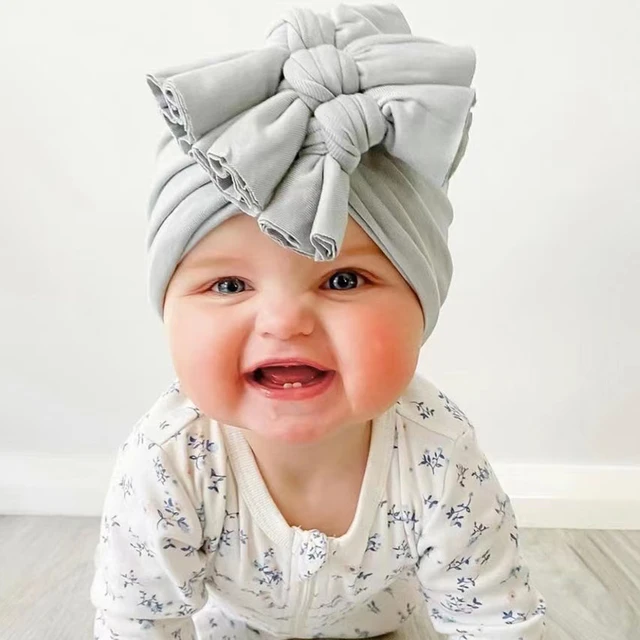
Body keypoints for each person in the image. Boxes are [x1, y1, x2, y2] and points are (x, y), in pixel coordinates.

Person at [90, 3, 547, 638]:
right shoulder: (170, 462)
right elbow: (138, 620)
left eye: (342, 279)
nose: (283, 321)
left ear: (422, 301)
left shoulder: (436, 455)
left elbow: (495, 618)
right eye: (228, 284)